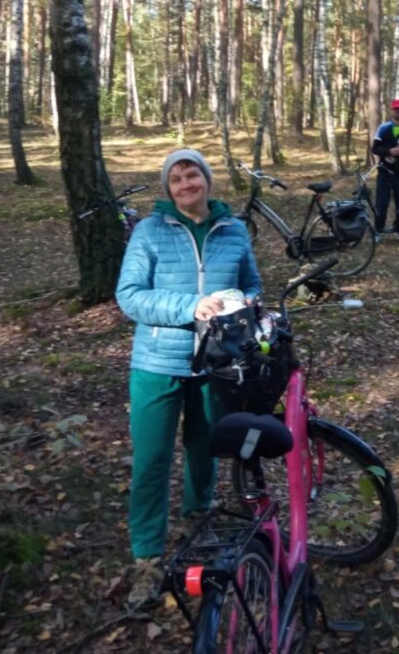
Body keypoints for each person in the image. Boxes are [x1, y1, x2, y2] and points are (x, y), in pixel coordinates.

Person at [116, 148, 262, 608]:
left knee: (204, 450)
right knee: (152, 461)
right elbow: (130, 296)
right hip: (157, 364)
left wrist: (245, 301)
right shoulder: (149, 232)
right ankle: (147, 557)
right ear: (168, 187)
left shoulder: (233, 230)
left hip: (213, 363)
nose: (185, 183)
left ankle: (198, 518)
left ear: (206, 179)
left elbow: (253, 284)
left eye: (192, 173)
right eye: (176, 177)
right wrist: (188, 308)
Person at [371, 97, 399, 241]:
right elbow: (375, 149)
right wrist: (389, 152)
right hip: (384, 172)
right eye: (396, 109)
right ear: (391, 111)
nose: (398, 112)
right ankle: (378, 230)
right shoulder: (383, 128)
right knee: (381, 203)